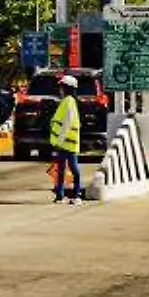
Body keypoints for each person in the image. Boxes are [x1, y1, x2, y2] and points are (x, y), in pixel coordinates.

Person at [50, 74, 82, 205]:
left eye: (62, 87)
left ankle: (77, 195)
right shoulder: (67, 101)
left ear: (67, 88)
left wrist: (60, 140)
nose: (60, 90)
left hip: (67, 143)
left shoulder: (69, 101)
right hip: (65, 143)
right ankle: (60, 195)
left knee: (73, 169)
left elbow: (67, 123)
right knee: (61, 170)